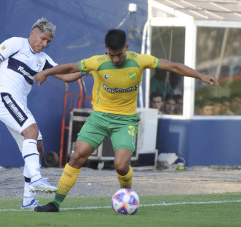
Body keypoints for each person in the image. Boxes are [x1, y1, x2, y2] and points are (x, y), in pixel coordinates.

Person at [32, 29, 217, 212]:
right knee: (77, 157)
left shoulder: (140, 60)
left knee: (121, 166)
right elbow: (72, 67)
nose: (115, 59)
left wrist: (200, 75)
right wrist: (47, 73)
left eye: (119, 55)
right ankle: (55, 203)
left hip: (125, 121)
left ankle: (126, 193)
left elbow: (173, 66)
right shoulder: (97, 62)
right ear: (106, 49)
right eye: (111, 55)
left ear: (126, 47)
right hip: (99, 118)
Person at [0, 18, 81, 210]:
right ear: (33, 32)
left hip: (18, 105)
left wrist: (89, 68)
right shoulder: (17, 43)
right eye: (42, 38)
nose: (44, 44)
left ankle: (28, 200)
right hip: (4, 98)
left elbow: (67, 76)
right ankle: (36, 178)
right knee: (31, 132)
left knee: (38, 147)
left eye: (48, 42)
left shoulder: (43, 60)